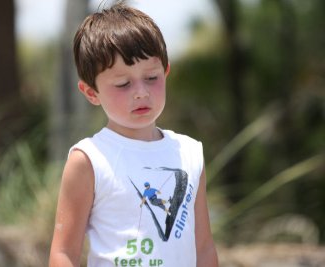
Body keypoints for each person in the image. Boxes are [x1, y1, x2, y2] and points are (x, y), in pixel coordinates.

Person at [49, 2, 218, 267]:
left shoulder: (189, 152)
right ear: (91, 93)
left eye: (151, 77)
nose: (141, 92)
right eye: (123, 84)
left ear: (166, 72)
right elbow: (63, 254)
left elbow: (204, 248)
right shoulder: (89, 160)